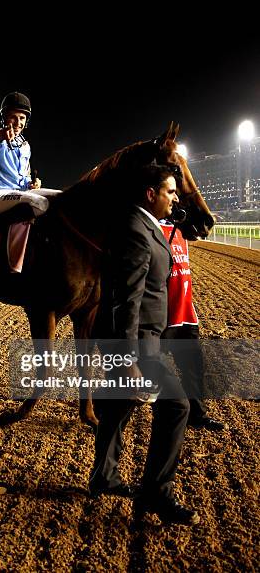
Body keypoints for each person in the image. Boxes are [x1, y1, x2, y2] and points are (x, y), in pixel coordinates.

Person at [90, 163, 200, 526]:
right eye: (170, 192)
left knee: (118, 406)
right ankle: (157, 491)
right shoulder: (135, 231)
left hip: (140, 337)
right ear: (150, 194)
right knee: (176, 407)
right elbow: (128, 300)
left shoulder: (144, 226)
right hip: (135, 342)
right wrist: (129, 359)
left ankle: (103, 477)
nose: (175, 198)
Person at [160, 218, 225, 431]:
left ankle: (198, 415)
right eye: (170, 193)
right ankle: (114, 419)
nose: (175, 199)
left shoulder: (182, 229)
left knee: (192, 368)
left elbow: (202, 227)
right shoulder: (147, 226)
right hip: (159, 318)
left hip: (186, 313)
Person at [0, 91, 60, 226]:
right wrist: (1, 134)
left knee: (60, 197)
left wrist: (31, 184)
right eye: (13, 117)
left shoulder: (24, 145)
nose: (18, 122)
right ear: (4, 117)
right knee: (40, 203)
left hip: (19, 194)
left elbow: (24, 177)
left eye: (22, 118)